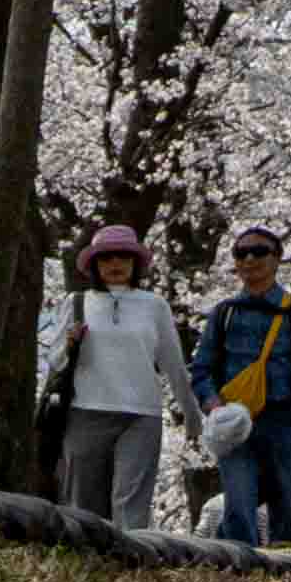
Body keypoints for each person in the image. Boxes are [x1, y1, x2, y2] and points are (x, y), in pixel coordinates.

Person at [183, 225, 291, 551]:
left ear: (277, 258)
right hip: (236, 424)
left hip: (288, 421)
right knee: (238, 504)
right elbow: (201, 369)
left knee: (290, 506)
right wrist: (213, 406)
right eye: (241, 253)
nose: (250, 259)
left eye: (259, 251)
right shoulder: (224, 313)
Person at [46, 221, 177, 529]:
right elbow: (55, 360)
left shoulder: (154, 305)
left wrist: (192, 413)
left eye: (123, 257)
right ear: (94, 264)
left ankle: (134, 568)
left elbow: (173, 362)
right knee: (86, 505)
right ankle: (94, 571)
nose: (115, 264)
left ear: (135, 263)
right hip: (86, 412)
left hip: (142, 414)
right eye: (106, 258)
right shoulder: (76, 302)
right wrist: (69, 343)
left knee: (131, 502)